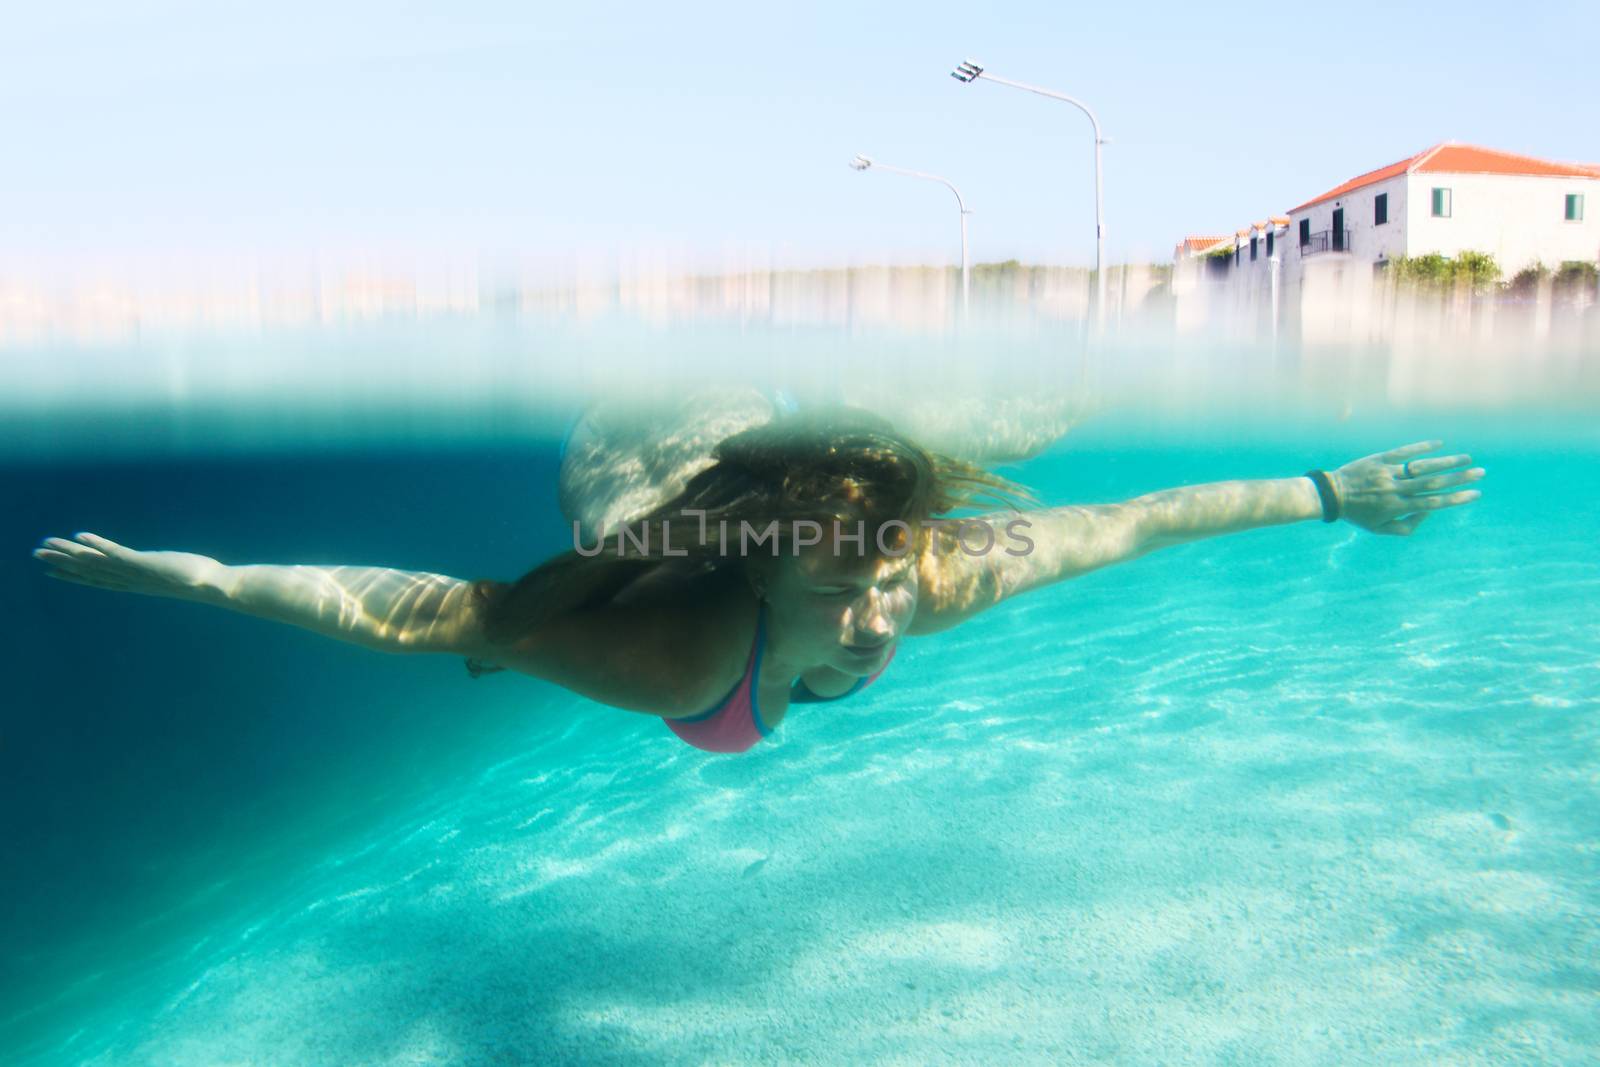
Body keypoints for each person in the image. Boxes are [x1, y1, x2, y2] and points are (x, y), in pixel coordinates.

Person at [32, 410, 1483, 754]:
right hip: (636, 457)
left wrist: (1327, 496)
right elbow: (438, 615)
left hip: (745, 467)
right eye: (849, 596)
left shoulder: (921, 579)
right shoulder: (675, 655)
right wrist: (204, 578)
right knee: (528, 618)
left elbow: (1137, 521)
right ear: (762, 586)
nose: (880, 617)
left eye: (886, 585)